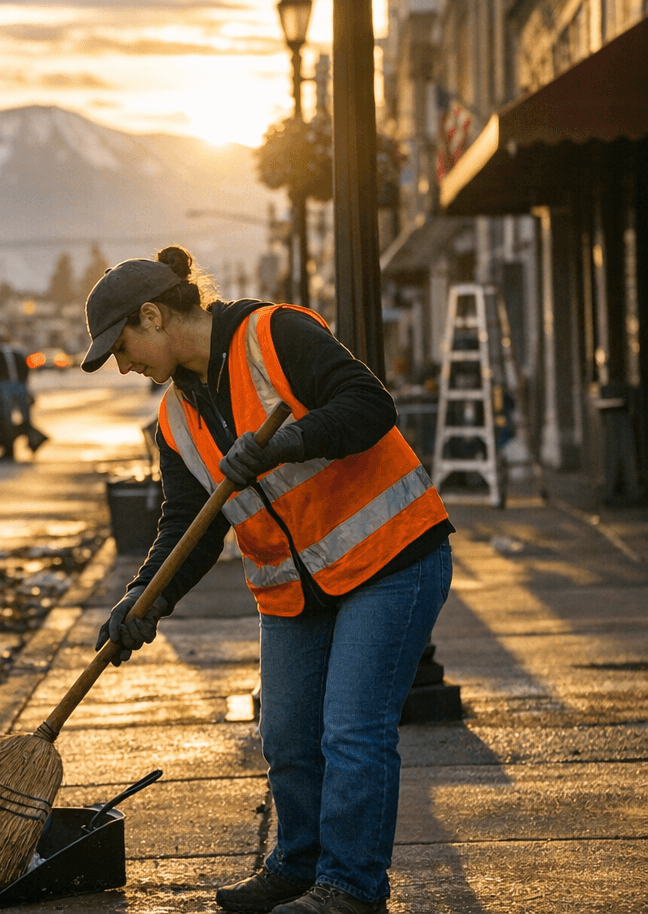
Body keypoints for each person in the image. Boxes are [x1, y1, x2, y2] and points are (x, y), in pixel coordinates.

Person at [84, 247, 453, 914]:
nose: (123, 361)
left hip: (390, 557)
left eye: (123, 344)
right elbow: (188, 524)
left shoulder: (273, 334)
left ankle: (351, 888)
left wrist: (290, 440)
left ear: (154, 314)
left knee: (352, 731)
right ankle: (298, 864)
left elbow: (371, 406)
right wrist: (147, 595)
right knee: (284, 733)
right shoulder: (174, 416)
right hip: (297, 589)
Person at [0, 335, 49, 461]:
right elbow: (26, 369)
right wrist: (24, 387)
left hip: (4, 388)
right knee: (26, 417)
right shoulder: (18, 352)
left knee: (6, 418)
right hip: (21, 387)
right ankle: (34, 440)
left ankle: (9, 450)